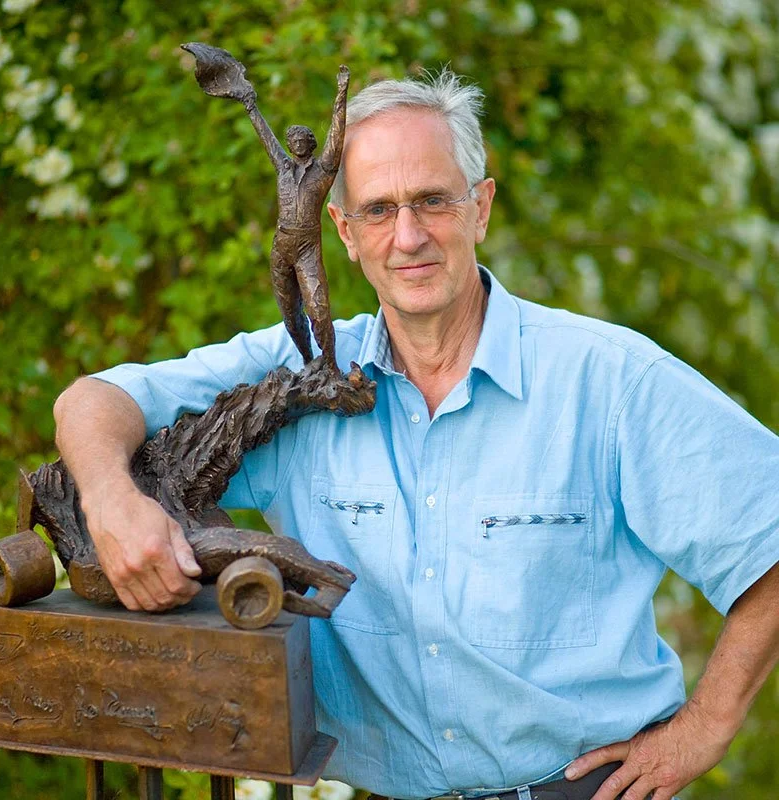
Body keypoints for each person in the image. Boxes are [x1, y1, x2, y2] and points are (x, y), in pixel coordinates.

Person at [53, 70, 779, 800]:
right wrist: (113, 501)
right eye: (378, 210)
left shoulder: (610, 382)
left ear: (481, 207)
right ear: (343, 232)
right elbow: (94, 400)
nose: (408, 236)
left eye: (433, 200)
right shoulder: (296, 375)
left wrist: (704, 730)